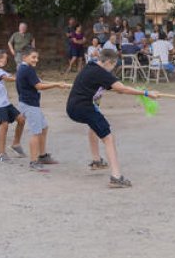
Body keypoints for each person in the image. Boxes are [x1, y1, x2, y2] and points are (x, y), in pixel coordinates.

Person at [66, 48, 155, 188]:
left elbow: (114, 87)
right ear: (108, 62)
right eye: (114, 65)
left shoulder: (90, 66)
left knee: (94, 126)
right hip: (84, 108)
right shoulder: (101, 73)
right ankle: (116, 177)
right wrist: (146, 93)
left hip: (73, 108)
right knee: (108, 137)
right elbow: (122, 88)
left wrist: (119, 89)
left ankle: (97, 161)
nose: (113, 68)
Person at [15, 47, 71, 172]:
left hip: (31, 103)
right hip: (29, 104)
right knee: (36, 132)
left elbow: (39, 81)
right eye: (33, 57)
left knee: (44, 127)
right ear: (25, 57)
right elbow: (39, 86)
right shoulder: (27, 70)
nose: (36, 60)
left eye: (37, 57)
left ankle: (42, 156)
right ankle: (33, 161)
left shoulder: (25, 69)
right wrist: (56, 85)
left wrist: (59, 83)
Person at [0, 50, 26, 163]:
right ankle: (1, 154)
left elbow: (11, 76)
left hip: (5, 103)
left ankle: (15, 144)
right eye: (2, 58)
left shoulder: (0, 70)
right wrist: (22, 78)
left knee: (21, 119)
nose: (4, 60)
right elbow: (8, 78)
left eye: (6, 59)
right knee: (4, 124)